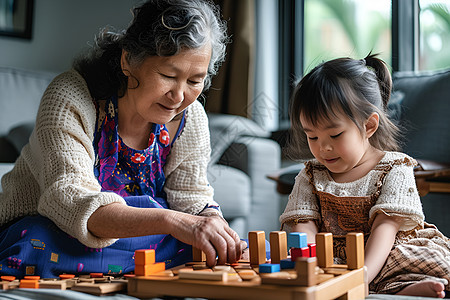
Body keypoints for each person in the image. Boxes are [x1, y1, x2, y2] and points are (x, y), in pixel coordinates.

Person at [0, 0, 244, 278]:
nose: (179, 96)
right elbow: (71, 202)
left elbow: (191, 197)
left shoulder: (191, 116)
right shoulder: (70, 96)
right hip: (62, 230)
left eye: (194, 81)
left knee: (202, 243)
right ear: (128, 60)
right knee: (35, 239)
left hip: (140, 238)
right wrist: (173, 221)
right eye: (168, 75)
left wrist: (212, 224)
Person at [280, 54, 450, 298]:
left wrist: (360, 278)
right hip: (336, 259)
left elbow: (385, 229)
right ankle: (395, 288)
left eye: (335, 135)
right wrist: (314, 268)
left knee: (417, 260)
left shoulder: (394, 168)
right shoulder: (311, 174)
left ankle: (404, 287)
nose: (323, 148)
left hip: (385, 251)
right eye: (313, 137)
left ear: (369, 126)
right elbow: (304, 225)